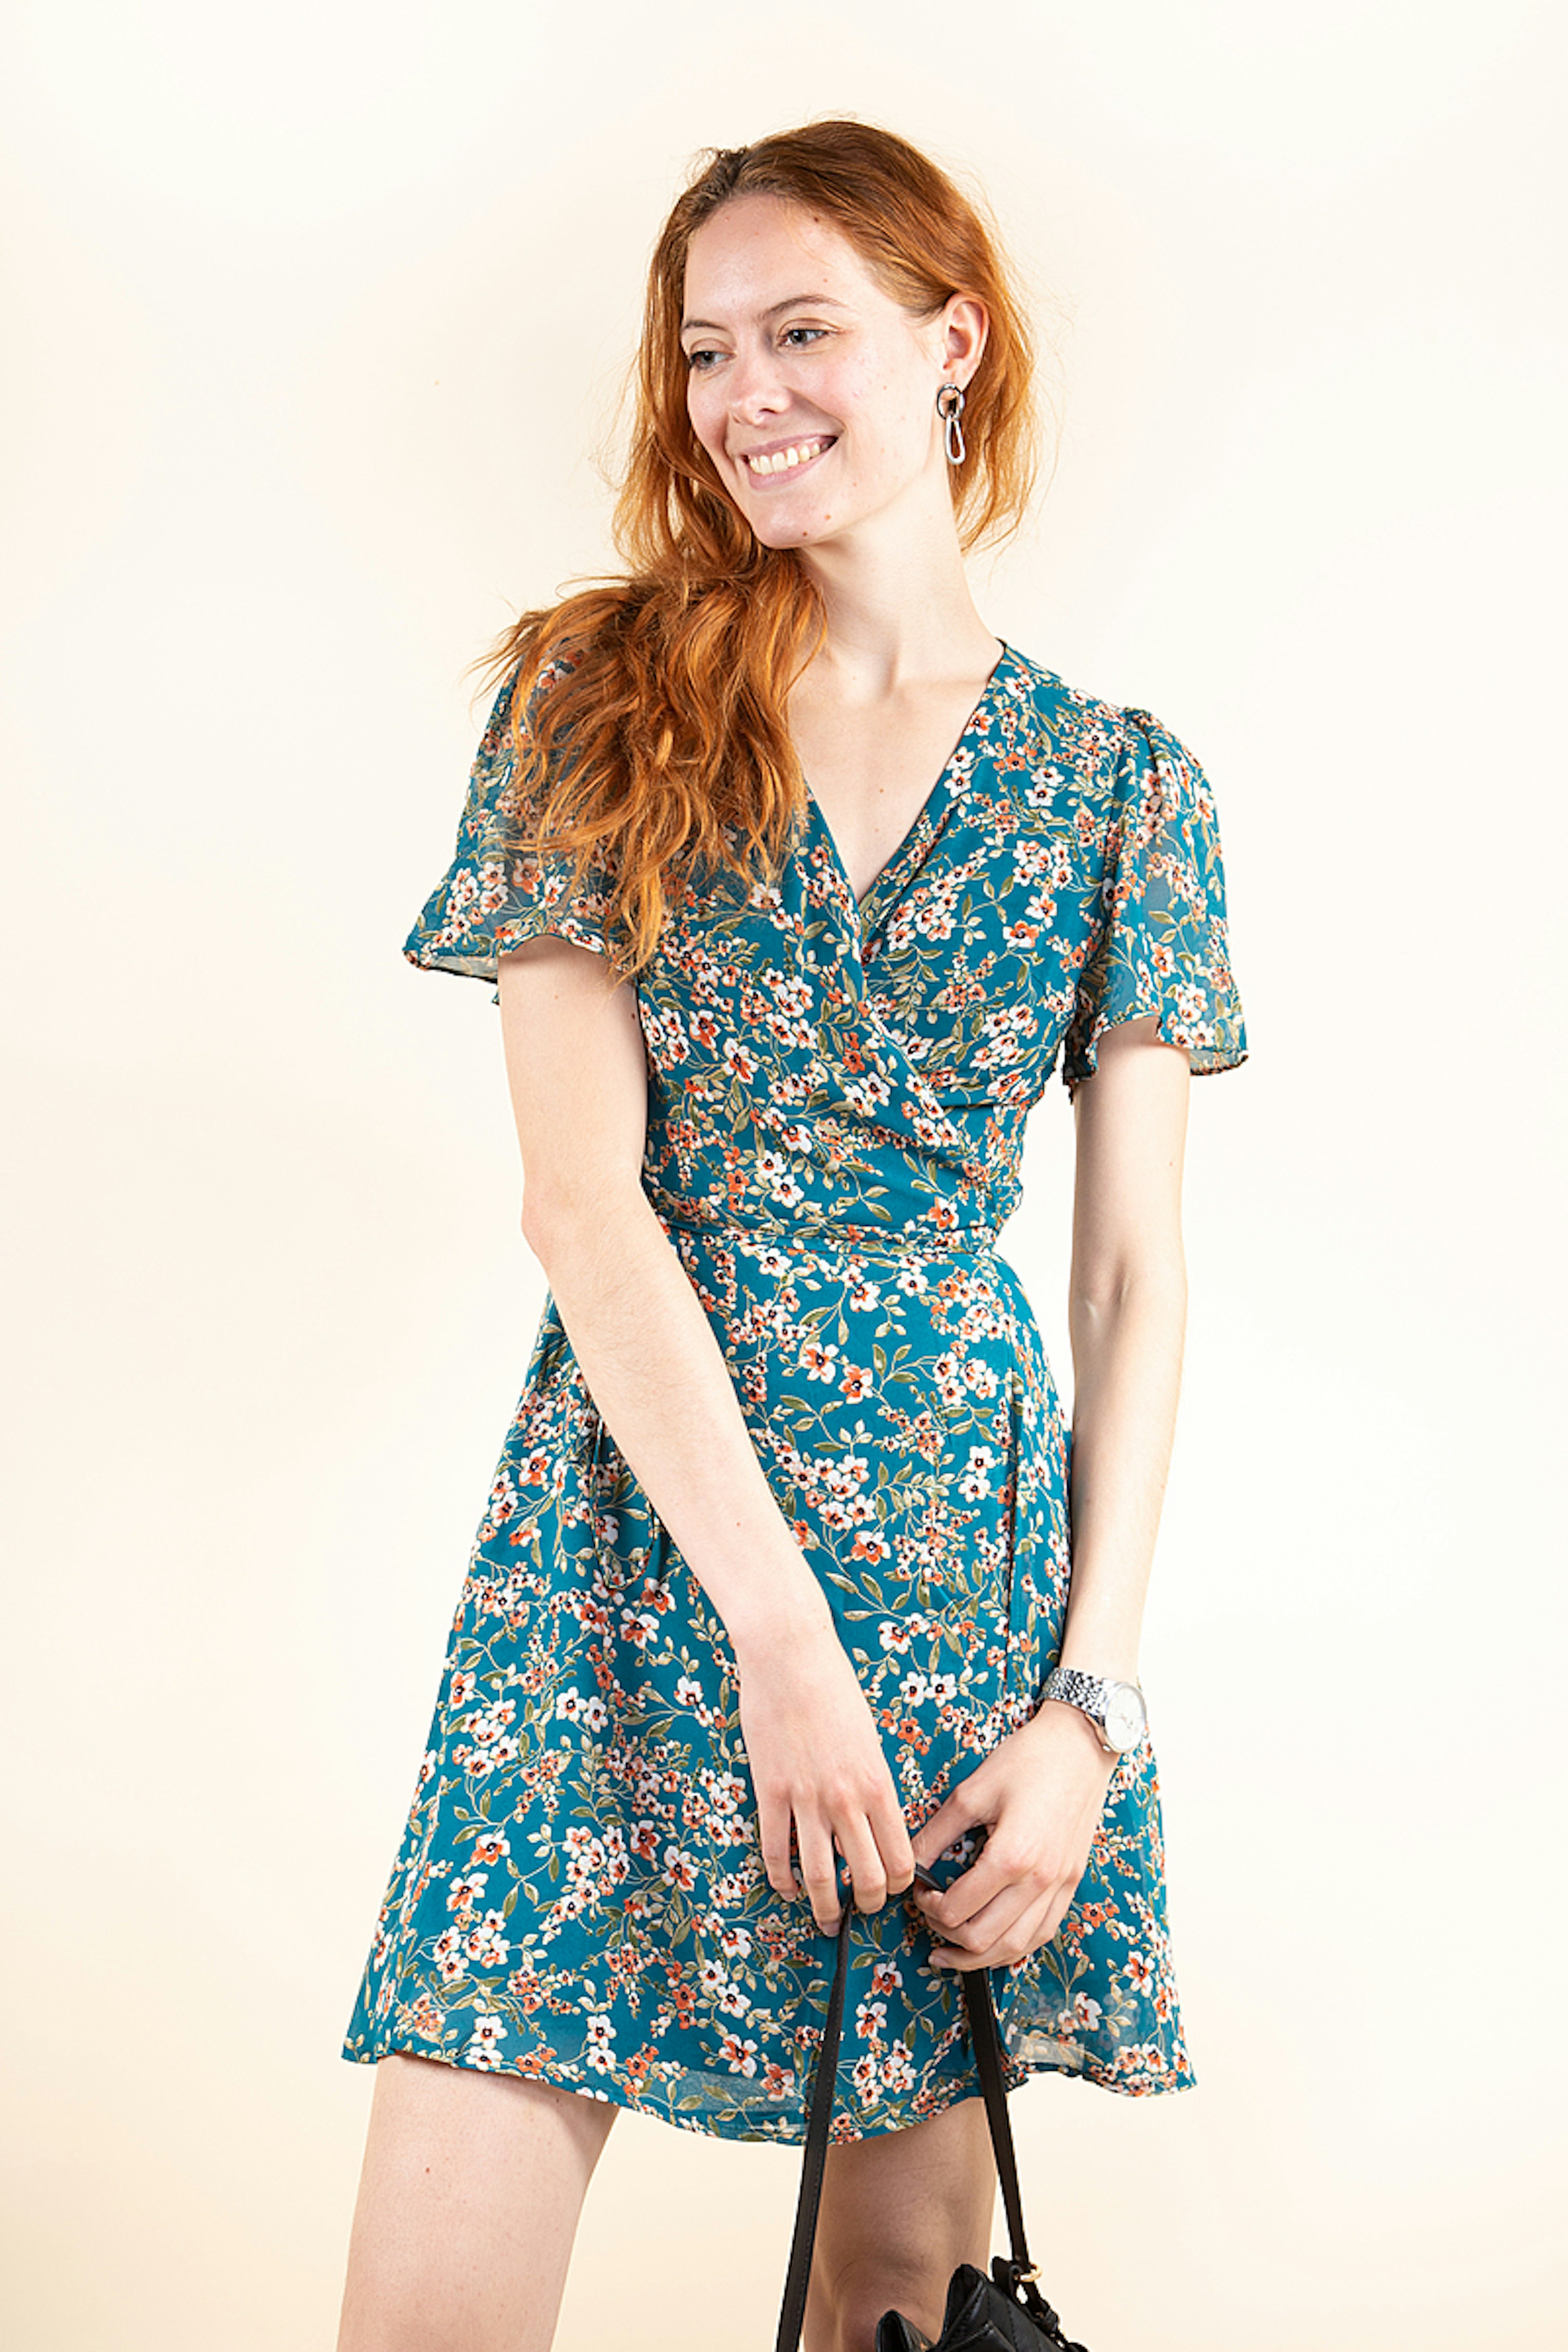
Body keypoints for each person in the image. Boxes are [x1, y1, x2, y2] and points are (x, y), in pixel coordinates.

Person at [335, 119, 1247, 2352]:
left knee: (893, 2303)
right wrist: (776, 1636)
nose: (745, 396)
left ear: (953, 345)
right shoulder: (598, 702)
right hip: (632, 1547)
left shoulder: (1125, 787)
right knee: (431, 2307)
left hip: (958, 1569)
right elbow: (582, 1202)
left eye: (801, 332)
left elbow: (1131, 1282)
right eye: (706, 351)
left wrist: (1094, 1712)